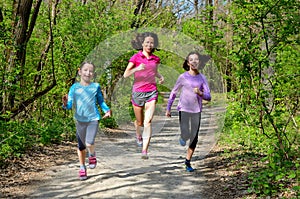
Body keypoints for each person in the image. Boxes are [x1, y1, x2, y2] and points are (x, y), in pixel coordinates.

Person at [62, 62, 111, 180]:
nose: (87, 73)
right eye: (85, 70)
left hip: (93, 118)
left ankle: (92, 154)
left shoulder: (96, 86)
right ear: (79, 71)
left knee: (89, 143)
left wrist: (107, 110)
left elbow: (100, 101)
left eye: (90, 71)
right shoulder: (74, 88)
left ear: (93, 74)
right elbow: (69, 106)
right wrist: (64, 103)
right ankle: (82, 167)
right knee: (81, 146)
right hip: (80, 120)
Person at [165, 51, 211, 172]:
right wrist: (168, 108)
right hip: (184, 109)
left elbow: (208, 97)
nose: (194, 62)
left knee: (194, 137)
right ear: (188, 62)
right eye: (191, 59)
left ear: (199, 62)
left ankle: (188, 162)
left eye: (196, 59)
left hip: (197, 110)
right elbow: (173, 92)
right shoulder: (182, 77)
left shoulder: (202, 78)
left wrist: (200, 93)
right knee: (186, 134)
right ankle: (183, 137)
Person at [123, 32, 164, 159]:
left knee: (148, 122)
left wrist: (160, 77)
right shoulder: (136, 57)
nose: (149, 45)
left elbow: (154, 71)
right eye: (147, 42)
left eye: (151, 43)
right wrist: (137, 68)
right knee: (140, 122)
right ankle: (138, 133)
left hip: (151, 91)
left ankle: (144, 150)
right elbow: (126, 74)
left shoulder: (156, 59)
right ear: (142, 44)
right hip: (138, 91)